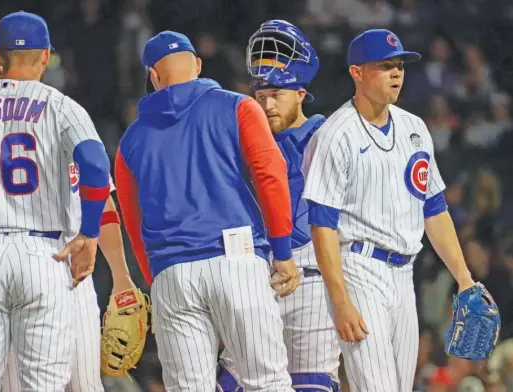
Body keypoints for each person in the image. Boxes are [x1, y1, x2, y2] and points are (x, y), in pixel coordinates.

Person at [115, 30, 300, 391]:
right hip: (236, 261)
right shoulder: (238, 106)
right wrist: (282, 250)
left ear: (153, 76)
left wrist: (156, 281)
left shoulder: (130, 141)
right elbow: (270, 174)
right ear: (197, 65)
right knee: (267, 383)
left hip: (172, 273)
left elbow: (132, 222)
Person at [302, 29, 479, 392]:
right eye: (385, 66)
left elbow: (434, 208)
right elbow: (322, 223)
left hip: (404, 275)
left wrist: (464, 277)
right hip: (359, 270)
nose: (397, 73)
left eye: (399, 66)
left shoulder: (415, 128)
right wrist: (340, 300)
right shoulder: (337, 133)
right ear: (357, 72)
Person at [0, 29, 138, 392]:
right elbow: (96, 173)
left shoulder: (57, 114)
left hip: (57, 265)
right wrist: (93, 241)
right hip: (56, 259)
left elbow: (103, 199)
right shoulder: (62, 110)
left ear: (1, 58)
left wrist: (120, 278)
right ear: (45, 57)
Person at [217, 20, 341, 392]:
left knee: (312, 384)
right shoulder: (240, 140)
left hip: (312, 279)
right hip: (253, 277)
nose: (268, 103)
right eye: (262, 93)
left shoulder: (328, 136)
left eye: (278, 93)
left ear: (301, 93)